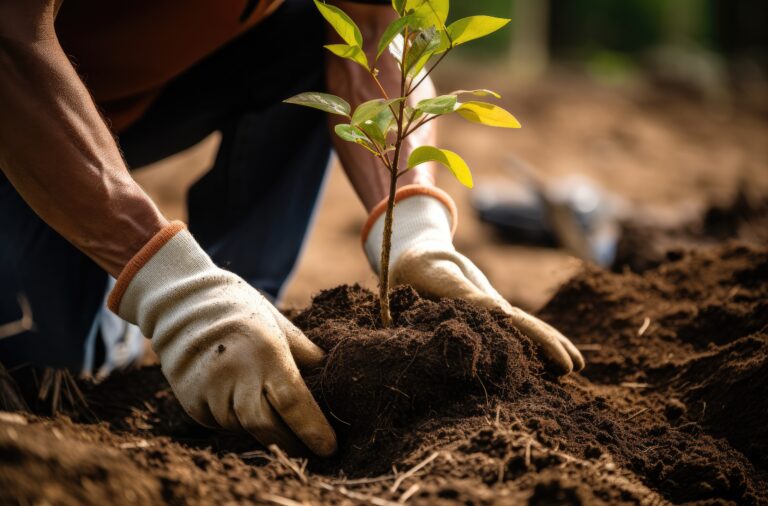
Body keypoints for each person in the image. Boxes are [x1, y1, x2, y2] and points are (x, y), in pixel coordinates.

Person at [0, 0, 584, 457]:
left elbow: (375, 30)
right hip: (21, 102)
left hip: (136, 95)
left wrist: (413, 225)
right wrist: (170, 289)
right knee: (46, 377)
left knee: (314, 24)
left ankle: (245, 315)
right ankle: (190, 309)